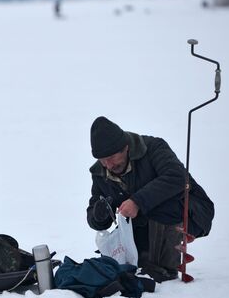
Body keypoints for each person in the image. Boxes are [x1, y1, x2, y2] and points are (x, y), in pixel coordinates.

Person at [86, 116, 214, 282]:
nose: (108, 165)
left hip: (193, 210)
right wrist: (98, 215)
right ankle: (145, 262)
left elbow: (177, 177)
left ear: (125, 147)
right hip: (145, 224)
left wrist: (137, 201)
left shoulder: (153, 148)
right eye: (102, 160)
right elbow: (93, 215)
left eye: (111, 158)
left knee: (156, 203)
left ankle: (166, 265)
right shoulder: (100, 173)